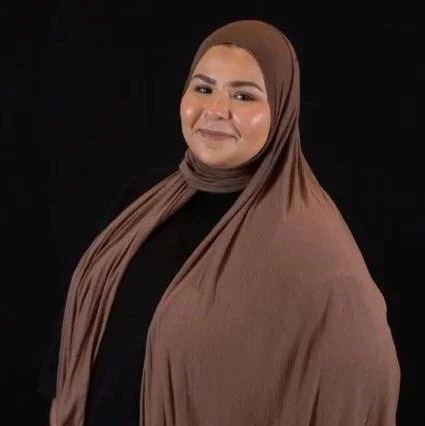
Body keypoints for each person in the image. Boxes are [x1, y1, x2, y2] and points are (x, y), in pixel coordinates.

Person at [39, 19, 400, 426]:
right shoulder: (143, 199)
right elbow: (74, 345)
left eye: (244, 96)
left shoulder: (312, 247)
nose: (215, 110)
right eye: (203, 88)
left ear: (282, 110)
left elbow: (362, 388)